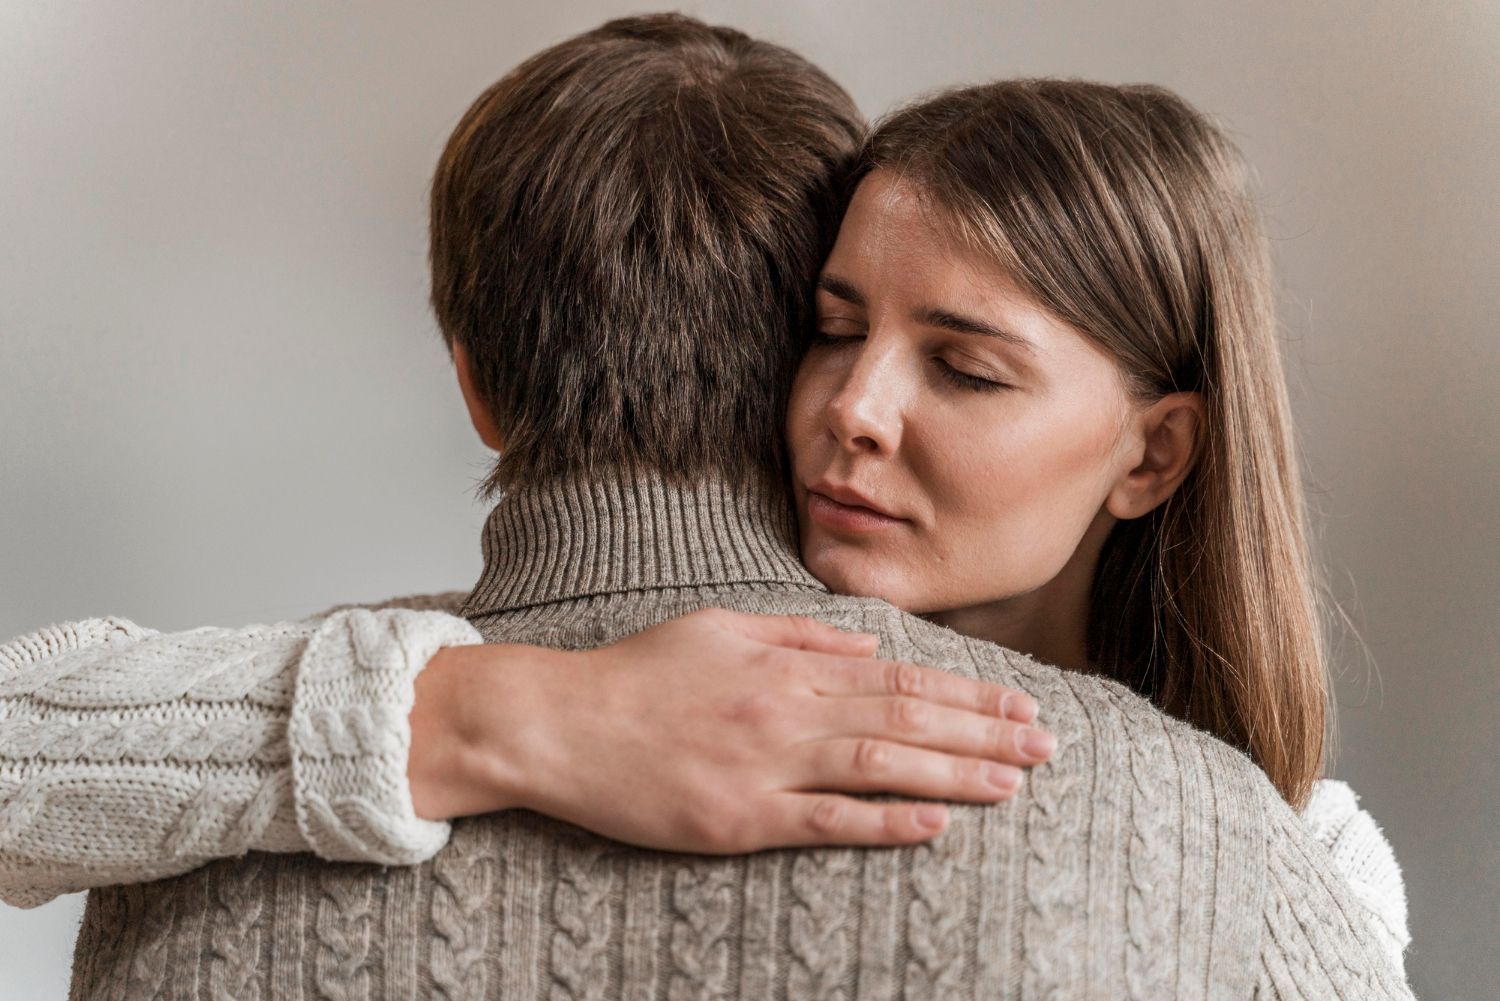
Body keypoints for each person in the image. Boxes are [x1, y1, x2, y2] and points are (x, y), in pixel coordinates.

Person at [4, 14, 1411, 999]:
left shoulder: (1277, 843)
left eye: (968, 366)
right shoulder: (1209, 837)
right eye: (835, 327)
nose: (861, 407)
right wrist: (506, 712)